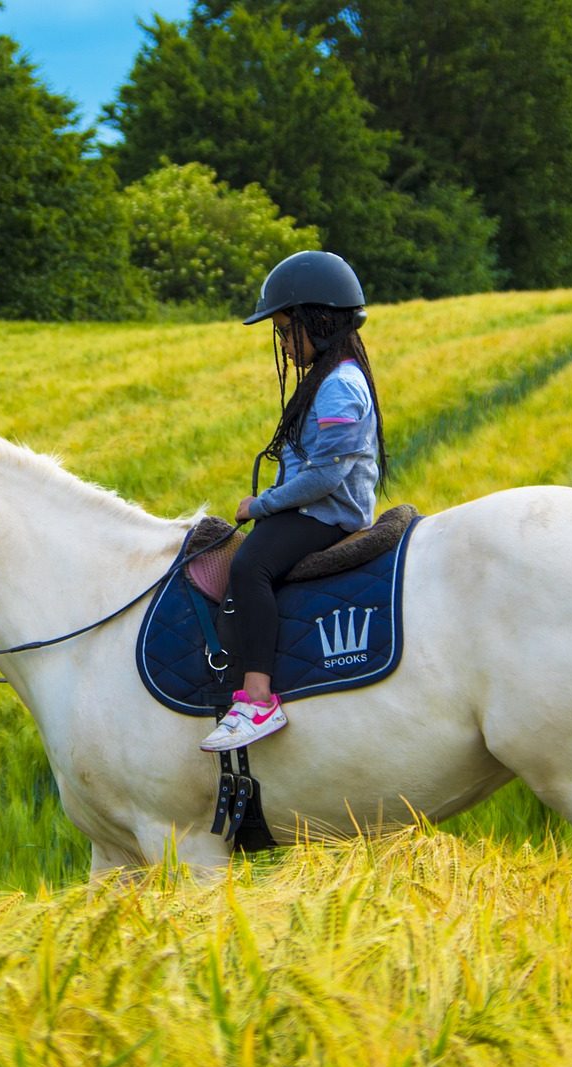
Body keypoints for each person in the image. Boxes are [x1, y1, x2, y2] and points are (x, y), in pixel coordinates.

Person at [201, 250, 388, 753]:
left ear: (320, 321)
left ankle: (258, 699)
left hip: (326, 514)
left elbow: (325, 478)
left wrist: (261, 505)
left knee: (250, 567)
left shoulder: (340, 387)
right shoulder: (329, 377)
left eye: (288, 330)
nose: (284, 344)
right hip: (311, 507)